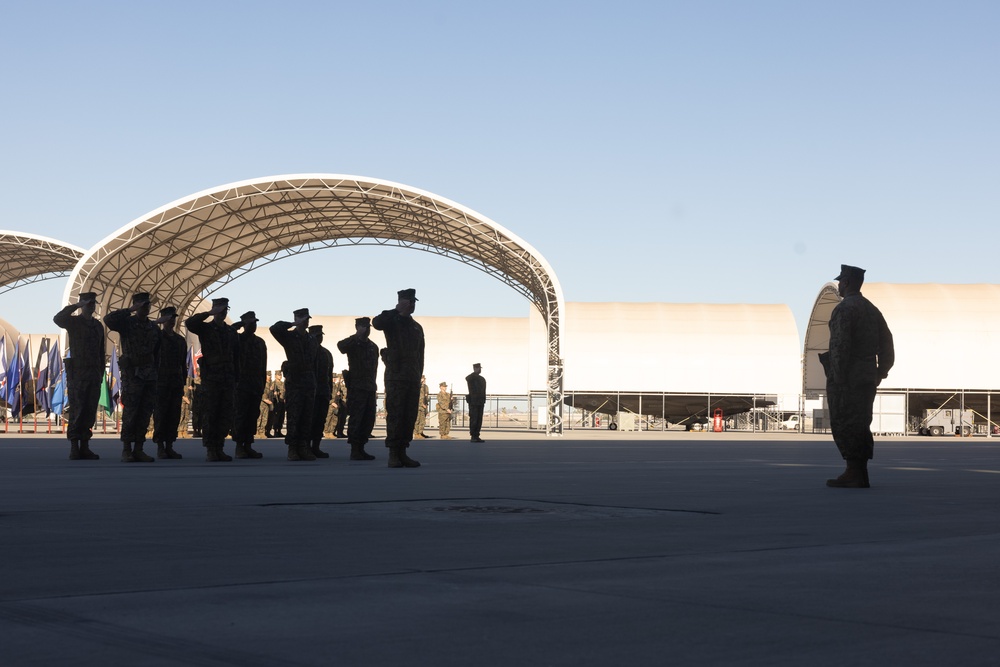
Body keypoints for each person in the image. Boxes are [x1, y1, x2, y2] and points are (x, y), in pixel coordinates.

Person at [823, 265, 895, 489]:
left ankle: (854, 472)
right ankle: (859, 472)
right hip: (866, 376)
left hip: (848, 377)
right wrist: (880, 372)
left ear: (846, 283)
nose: (839, 286)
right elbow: (887, 344)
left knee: (845, 423)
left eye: (841, 282)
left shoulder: (845, 309)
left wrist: (837, 375)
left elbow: (840, 346)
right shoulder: (872, 310)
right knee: (862, 423)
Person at [104, 292, 161, 463]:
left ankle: (139, 448)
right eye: (142, 305)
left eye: (147, 305)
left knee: (144, 413)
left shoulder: (153, 328)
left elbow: (157, 353)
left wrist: (155, 372)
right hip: (133, 375)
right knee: (131, 413)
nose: (146, 308)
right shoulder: (127, 324)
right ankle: (127, 449)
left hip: (149, 375)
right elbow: (109, 320)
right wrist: (129, 310)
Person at [372, 288, 424, 468]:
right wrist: (396, 310)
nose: (412, 305)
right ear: (402, 302)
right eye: (409, 301)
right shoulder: (392, 321)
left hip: (412, 376)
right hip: (396, 376)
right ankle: (393, 453)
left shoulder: (416, 327)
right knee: (396, 414)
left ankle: (403, 451)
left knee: (409, 415)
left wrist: (419, 375)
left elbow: (420, 354)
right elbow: (376, 323)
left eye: (413, 302)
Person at [185, 298, 240, 462]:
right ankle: (210, 448)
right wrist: (208, 313)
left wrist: (237, 377)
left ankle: (220, 447)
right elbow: (190, 323)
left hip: (227, 378)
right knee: (211, 413)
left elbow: (236, 357)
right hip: (212, 378)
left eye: (225, 310)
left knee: (225, 413)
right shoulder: (206, 328)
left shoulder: (230, 332)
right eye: (220, 309)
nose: (223, 313)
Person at [53, 291, 105, 460]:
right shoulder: (74, 322)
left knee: (89, 411)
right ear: (82, 304)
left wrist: (100, 372)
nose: (91, 306)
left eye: (92, 303)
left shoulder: (97, 326)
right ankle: (74, 446)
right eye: (88, 303)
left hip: (93, 374)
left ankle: (85, 446)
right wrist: (76, 306)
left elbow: (100, 352)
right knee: (78, 410)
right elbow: (58, 319)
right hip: (78, 375)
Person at [270, 309, 318, 461]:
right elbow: (274, 328)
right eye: (303, 318)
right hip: (295, 382)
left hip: (309, 381)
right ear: (297, 319)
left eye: (307, 319)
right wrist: (292, 324)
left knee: (306, 416)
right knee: (294, 416)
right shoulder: (289, 337)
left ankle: (304, 447)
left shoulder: (312, 339)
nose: (306, 321)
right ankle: (293, 448)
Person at [337, 316, 380, 460]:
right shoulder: (352, 343)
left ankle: (362, 447)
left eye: (368, 327)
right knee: (356, 418)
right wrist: (356, 336)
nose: (367, 330)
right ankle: (354, 449)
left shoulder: (373, 347)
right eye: (364, 327)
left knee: (368, 419)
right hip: (357, 388)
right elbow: (340, 346)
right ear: (358, 328)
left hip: (369, 387)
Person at [152, 306, 186, 460]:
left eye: (173, 317)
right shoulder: (156, 337)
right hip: (161, 382)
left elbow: (182, 364)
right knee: (161, 415)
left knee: (174, 415)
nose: (171, 320)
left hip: (175, 382)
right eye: (168, 317)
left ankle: (170, 446)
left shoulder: (180, 340)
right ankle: (160, 446)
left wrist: (183, 382)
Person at [232, 311, 267, 459]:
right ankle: (239, 446)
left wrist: (262, 385)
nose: (253, 326)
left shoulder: (260, 342)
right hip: (241, 385)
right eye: (250, 323)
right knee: (241, 416)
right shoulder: (237, 339)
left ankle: (248, 445)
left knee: (252, 416)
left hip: (255, 384)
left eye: (255, 323)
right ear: (244, 325)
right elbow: (227, 336)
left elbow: (263, 365)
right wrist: (236, 327)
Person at [308, 324, 333, 458]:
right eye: (316, 336)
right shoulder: (305, 351)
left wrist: (330, 393)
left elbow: (329, 374)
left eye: (320, 336)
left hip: (322, 392)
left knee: (320, 421)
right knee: (308, 421)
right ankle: (305, 447)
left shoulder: (326, 353)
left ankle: (316, 447)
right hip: (309, 392)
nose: (319, 339)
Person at [465, 363, 487, 443]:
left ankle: (477, 435)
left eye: (479, 368)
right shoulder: (471, 378)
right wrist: (474, 372)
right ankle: (473, 435)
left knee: (479, 419)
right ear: (474, 368)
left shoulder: (482, 379)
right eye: (477, 368)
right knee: (474, 419)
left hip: (480, 402)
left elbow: (484, 391)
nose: (479, 369)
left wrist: (483, 400)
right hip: (473, 402)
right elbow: (467, 378)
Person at [267, 370, 286, 437]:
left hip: (282, 402)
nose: (280, 376)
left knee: (282, 417)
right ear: (275, 376)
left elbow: (284, 392)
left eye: (280, 375)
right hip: (276, 402)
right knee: (276, 417)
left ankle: (279, 430)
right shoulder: (273, 383)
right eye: (278, 375)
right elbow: (270, 392)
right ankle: (276, 431)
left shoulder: (283, 383)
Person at [257, 370, 273, 437]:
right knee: (259, 418)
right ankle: (257, 431)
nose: (269, 377)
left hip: (267, 404)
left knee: (265, 418)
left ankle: (262, 431)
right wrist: (265, 399)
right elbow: (261, 392)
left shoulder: (270, 384)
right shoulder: (263, 383)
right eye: (268, 375)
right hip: (262, 403)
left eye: (270, 375)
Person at [332, 373, 348, 438]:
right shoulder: (337, 386)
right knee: (338, 419)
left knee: (343, 419)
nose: (342, 380)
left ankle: (340, 432)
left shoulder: (344, 385)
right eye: (341, 379)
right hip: (340, 403)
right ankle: (335, 432)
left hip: (345, 403)